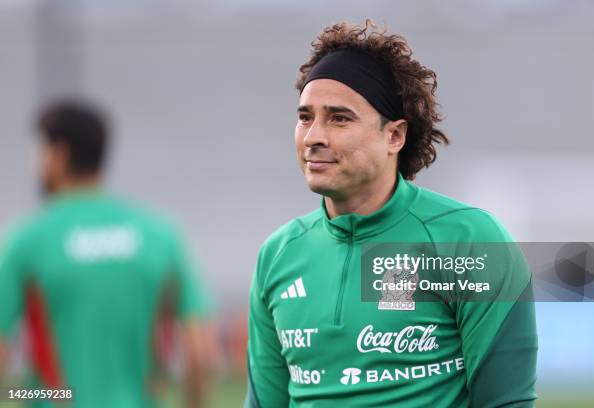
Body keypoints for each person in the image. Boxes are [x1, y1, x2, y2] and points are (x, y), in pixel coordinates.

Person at [245, 21, 537, 407]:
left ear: (394, 136)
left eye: (339, 118)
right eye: (305, 117)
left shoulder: (468, 241)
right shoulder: (278, 254)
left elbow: (506, 402)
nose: (314, 136)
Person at [0, 100, 216, 408]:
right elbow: (199, 352)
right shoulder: (159, 236)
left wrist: (30, 395)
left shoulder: (28, 241)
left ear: (58, 155)